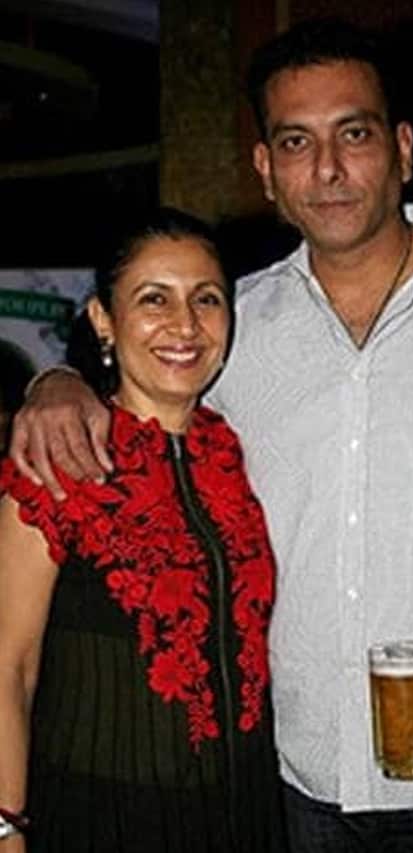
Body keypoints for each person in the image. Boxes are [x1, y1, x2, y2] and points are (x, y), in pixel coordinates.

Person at [9, 18, 413, 853]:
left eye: (355, 133)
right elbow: (135, 384)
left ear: (403, 148)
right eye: (296, 142)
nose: (329, 168)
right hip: (292, 789)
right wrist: (52, 381)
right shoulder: (231, 322)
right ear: (266, 169)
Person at [0, 208, 285, 852]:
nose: (185, 325)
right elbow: (7, 667)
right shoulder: (57, 459)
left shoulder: (232, 453)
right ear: (104, 318)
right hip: (101, 819)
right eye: (154, 299)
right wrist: (6, 830)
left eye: (206, 299)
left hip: (245, 816)